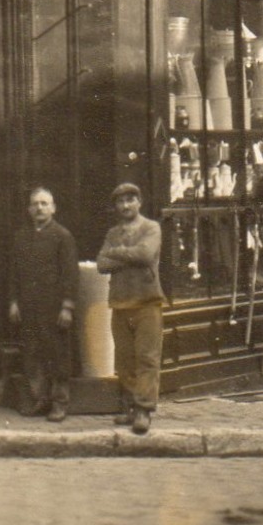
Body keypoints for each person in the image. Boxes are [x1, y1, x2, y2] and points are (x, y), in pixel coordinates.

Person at [95, 182, 165, 434]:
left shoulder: (151, 228)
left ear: (139, 202)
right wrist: (126, 255)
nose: (125, 205)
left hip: (147, 301)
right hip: (120, 302)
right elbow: (101, 264)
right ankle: (130, 407)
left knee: (147, 357)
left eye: (130, 200)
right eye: (120, 202)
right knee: (124, 359)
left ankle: (144, 410)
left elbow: (146, 254)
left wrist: (118, 253)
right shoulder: (112, 233)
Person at [7, 186, 79, 422]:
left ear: (53, 208)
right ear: (29, 209)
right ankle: (40, 399)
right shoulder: (20, 237)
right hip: (29, 307)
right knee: (33, 354)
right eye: (35, 204)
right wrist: (14, 301)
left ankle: (60, 403)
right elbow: (14, 273)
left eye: (44, 203)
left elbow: (70, 275)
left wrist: (67, 306)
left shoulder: (63, 236)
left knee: (58, 355)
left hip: (54, 308)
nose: (39, 208)